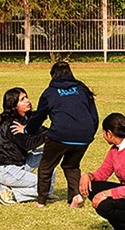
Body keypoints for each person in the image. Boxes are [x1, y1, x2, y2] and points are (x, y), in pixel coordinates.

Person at [26, 59, 99, 207]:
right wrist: (89, 134)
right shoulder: (82, 89)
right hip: (84, 136)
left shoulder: (50, 92)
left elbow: (40, 115)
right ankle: (76, 196)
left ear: (53, 75)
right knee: (71, 165)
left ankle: (41, 201)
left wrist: (27, 130)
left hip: (60, 134)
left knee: (46, 166)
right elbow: (94, 115)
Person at [0, 88, 42, 203]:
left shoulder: (26, 119)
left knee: (50, 152)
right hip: (6, 169)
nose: (28, 101)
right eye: (22, 99)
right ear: (13, 106)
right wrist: (49, 134)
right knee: (44, 184)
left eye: (26, 97)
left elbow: (42, 131)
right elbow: (28, 144)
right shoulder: (11, 124)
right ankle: (11, 193)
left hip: (20, 164)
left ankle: (42, 191)